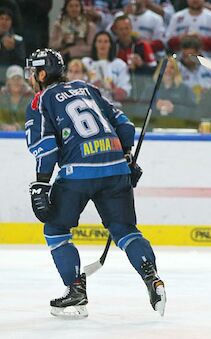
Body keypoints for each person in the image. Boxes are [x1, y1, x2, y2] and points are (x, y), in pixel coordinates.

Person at [23, 48, 165, 319]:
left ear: (42, 74)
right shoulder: (86, 88)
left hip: (78, 173)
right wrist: (126, 157)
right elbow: (124, 126)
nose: (31, 78)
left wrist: (41, 183)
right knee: (124, 229)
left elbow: (47, 147)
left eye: (32, 72)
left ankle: (76, 292)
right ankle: (152, 278)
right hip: (115, 170)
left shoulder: (40, 100)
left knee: (55, 228)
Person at [0, 64, 32, 130]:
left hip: (25, 135)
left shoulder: (31, 96)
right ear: (8, 81)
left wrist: (18, 127)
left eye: (19, 78)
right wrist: (2, 126)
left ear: (23, 80)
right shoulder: (1, 96)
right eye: (13, 78)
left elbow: (35, 119)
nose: (16, 81)